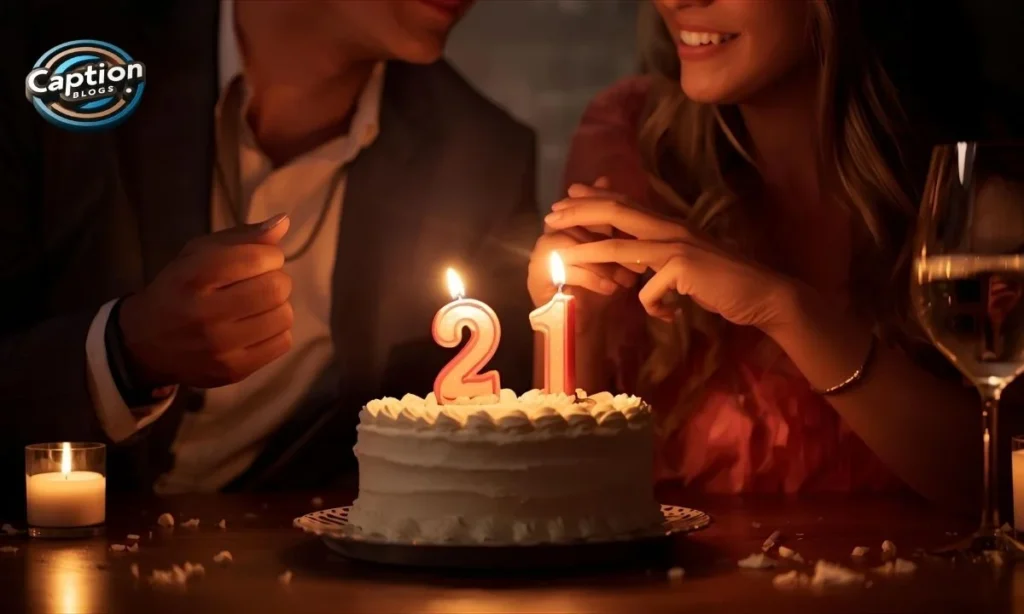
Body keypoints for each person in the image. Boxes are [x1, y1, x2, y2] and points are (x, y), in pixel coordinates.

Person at [0, 0, 537, 504]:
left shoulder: (478, 155)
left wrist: (587, 323)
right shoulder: (51, 53)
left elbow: (479, 456)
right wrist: (124, 353)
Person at [528, 0, 982, 508]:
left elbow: (998, 489)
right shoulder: (631, 145)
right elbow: (562, 505)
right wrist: (577, 335)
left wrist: (785, 310)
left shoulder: (970, 180)